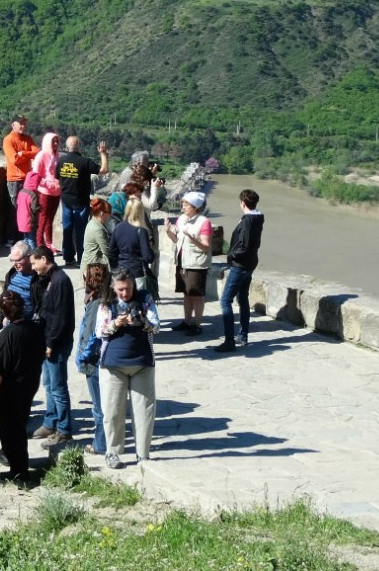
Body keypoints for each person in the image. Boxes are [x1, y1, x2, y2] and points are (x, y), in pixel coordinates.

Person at [95, 269, 160, 469]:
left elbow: (156, 326)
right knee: (113, 411)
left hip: (142, 364)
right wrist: (116, 323)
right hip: (112, 366)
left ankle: (143, 454)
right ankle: (113, 452)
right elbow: (99, 332)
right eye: (121, 289)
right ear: (113, 288)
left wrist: (143, 322)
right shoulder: (106, 303)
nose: (125, 293)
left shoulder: (145, 298)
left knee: (144, 412)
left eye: (128, 288)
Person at [0, 289, 43, 483]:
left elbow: (0, 369)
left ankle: (19, 471)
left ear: (3, 312)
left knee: (10, 431)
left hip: (10, 390)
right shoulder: (33, 328)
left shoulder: (7, 336)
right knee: (20, 426)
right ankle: (19, 468)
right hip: (29, 385)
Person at [29, 248, 76, 447]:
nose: (32, 267)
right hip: (45, 340)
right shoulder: (46, 279)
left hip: (56, 343)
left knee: (58, 387)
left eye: (34, 263)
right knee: (48, 384)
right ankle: (50, 422)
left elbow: (60, 318)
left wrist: (51, 344)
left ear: (44, 259)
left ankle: (64, 430)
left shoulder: (60, 281)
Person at [213, 189, 264, 353]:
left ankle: (229, 341)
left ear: (242, 203)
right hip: (250, 263)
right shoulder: (257, 218)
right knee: (243, 299)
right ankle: (242, 336)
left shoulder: (248, 220)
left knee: (225, 300)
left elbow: (244, 246)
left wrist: (231, 255)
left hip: (240, 265)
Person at [55, 137, 111, 267]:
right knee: (81, 232)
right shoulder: (85, 162)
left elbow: (57, 178)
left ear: (67, 148)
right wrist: (103, 154)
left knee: (67, 229)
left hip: (66, 200)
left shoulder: (61, 161)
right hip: (81, 201)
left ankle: (68, 257)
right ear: (79, 147)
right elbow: (103, 170)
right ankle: (82, 259)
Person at [74, 261, 110, 456]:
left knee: (99, 406)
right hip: (101, 359)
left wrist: (82, 358)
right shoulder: (100, 298)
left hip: (94, 362)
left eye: (85, 275)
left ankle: (100, 444)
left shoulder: (96, 304)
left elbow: (90, 336)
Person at [167, 191, 213, 336]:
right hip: (182, 262)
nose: (183, 207)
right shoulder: (181, 219)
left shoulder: (204, 222)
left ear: (195, 207)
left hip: (196, 264)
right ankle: (187, 321)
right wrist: (168, 231)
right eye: (183, 204)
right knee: (186, 294)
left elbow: (206, 247)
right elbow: (176, 240)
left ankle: (197, 324)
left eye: (186, 205)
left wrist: (194, 240)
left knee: (196, 296)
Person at [108, 196, 153, 288]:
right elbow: (148, 257)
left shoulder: (118, 228)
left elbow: (111, 253)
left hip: (121, 272)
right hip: (137, 273)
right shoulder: (141, 231)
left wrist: (116, 267)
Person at [31, 133, 62, 256]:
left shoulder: (58, 156)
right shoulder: (41, 155)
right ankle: (40, 246)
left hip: (56, 192)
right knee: (42, 220)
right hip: (44, 192)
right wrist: (49, 184)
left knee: (50, 219)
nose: (55, 144)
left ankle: (49, 244)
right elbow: (35, 175)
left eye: (57, 141)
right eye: (53, 141)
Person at [3, 116, 39, 218]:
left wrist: (23, 153)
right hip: (15, 180)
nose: (23, 126)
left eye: (24, 124)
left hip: (27, 179)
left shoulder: (28, 139)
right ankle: (13, 229)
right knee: (15, 210)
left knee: (27, 210)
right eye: (20, 124)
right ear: (13, 125)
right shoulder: (8, 140)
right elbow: (14, 159)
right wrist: (29, 155)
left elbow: (37, 153)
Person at [1, 240, 40, 323]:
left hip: (28, 323)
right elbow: (4, 295)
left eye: (18, 260)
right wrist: (1, 319)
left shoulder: (38, 277)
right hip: (9, 320)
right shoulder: (12, 273)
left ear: (28, 257)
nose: (14, 264)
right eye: (12, 260)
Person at [83, 197, 114, 271]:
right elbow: (106, 250)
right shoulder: (98, 229)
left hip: (90, 265)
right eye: (109, 213)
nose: (110, 216)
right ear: (102, 214)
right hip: (94, 269)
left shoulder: (93, 222)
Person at [15, 168, 42, 250]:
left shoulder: (21, 191)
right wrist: (40, 207)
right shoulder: (33, 194)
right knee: (32, 240)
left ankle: (26, 254)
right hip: (30, 221)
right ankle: (34, 255)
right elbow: (34, 208)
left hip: (21, 220)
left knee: (26, 239)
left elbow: (17, 203)